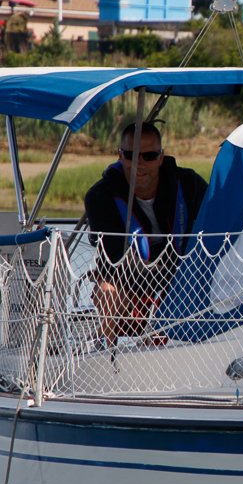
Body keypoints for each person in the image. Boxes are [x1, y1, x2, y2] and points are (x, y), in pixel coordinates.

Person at [84, 122, 208, 343]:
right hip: (128, 278)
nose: (140, 164)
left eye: (149, 156)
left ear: (161, 158)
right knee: (107, 290)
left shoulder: (190, 184)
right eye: (132, 155)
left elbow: (219, 227)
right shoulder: (99, 197)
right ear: (120, 156)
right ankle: (106, 351)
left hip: (185, 275)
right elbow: (117, 261)